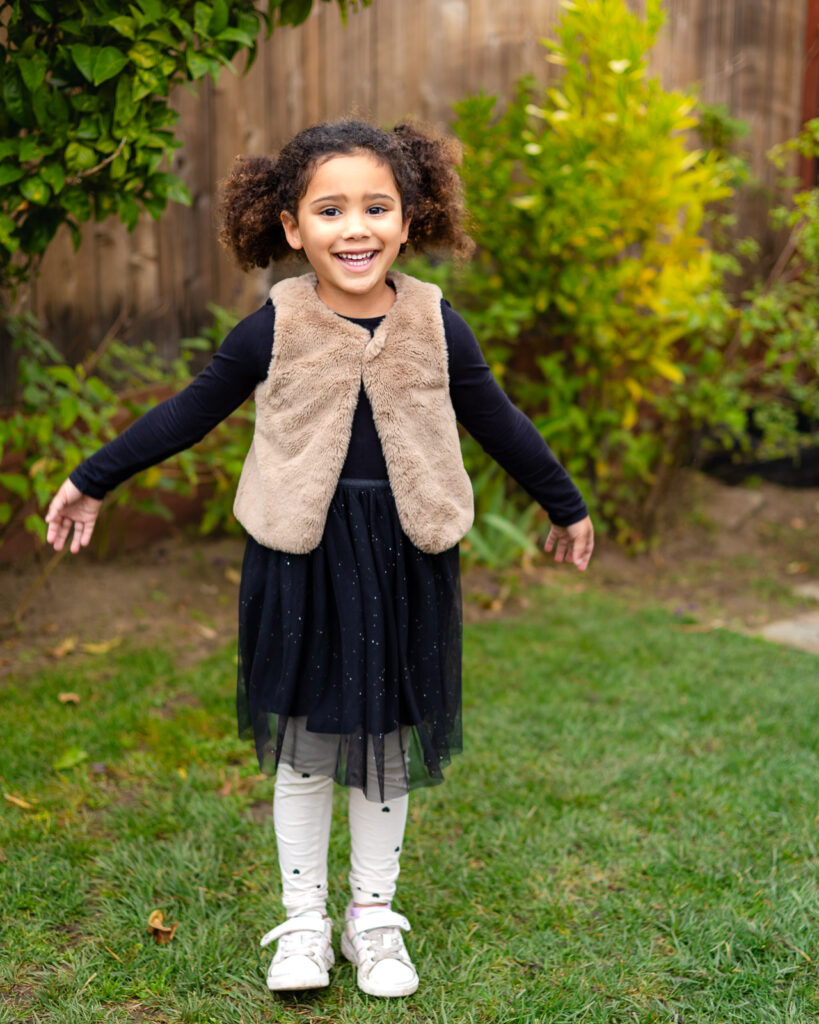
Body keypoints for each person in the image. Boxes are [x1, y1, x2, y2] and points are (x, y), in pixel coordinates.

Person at [45, 119, 594, 999]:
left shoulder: (433, 322)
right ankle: (302, 921)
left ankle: (371, 920)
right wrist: (92, 478)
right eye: (330, 209)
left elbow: (497, 420)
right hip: (300, 564)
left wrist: (563, 505)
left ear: (409, 219)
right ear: (291, 227)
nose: (356, 228)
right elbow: (187, 413)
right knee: (305, 751)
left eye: (377, 207)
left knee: (382, 746)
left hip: (403, 564)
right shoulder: (274, 325)